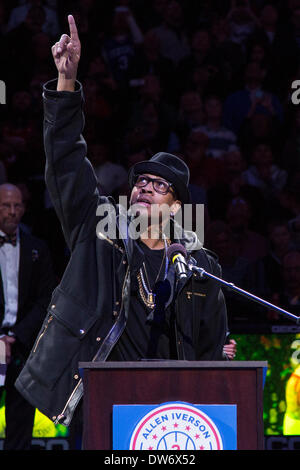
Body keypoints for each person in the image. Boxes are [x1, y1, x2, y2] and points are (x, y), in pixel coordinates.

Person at [16, 15, 228, 430]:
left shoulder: (202, 268)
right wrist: (66, 84)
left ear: (176, 207)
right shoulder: (98, 234)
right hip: (101, 404)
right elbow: (66, 163)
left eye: (159, 185)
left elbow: (209, 350)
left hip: (172, 416)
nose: (144, 188)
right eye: (140, 182)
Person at [0, 183, 56, 450]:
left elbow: (46, 299)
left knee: (21, 420)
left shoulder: (38, 249)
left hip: (23, 345)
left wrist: (14, 338)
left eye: (17, 206)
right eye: (5, 206)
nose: (12, 212)